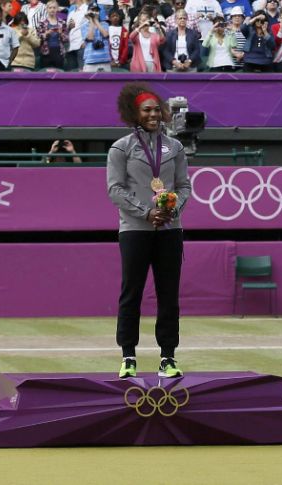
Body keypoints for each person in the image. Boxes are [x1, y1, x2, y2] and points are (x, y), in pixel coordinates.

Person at [107, 82, 191, 379]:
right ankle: (128, 355)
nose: (153, 114)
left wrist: (172, 209)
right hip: (134, 229)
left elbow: (183, 186)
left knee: (169, 295)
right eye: (147, 110)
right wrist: (146, 211)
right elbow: (115, 189)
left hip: (170, 228)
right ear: (135, 113)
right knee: (132, 292)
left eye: (157, 109)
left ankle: (168, 357)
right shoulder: (121, 147)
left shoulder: (175, 147)